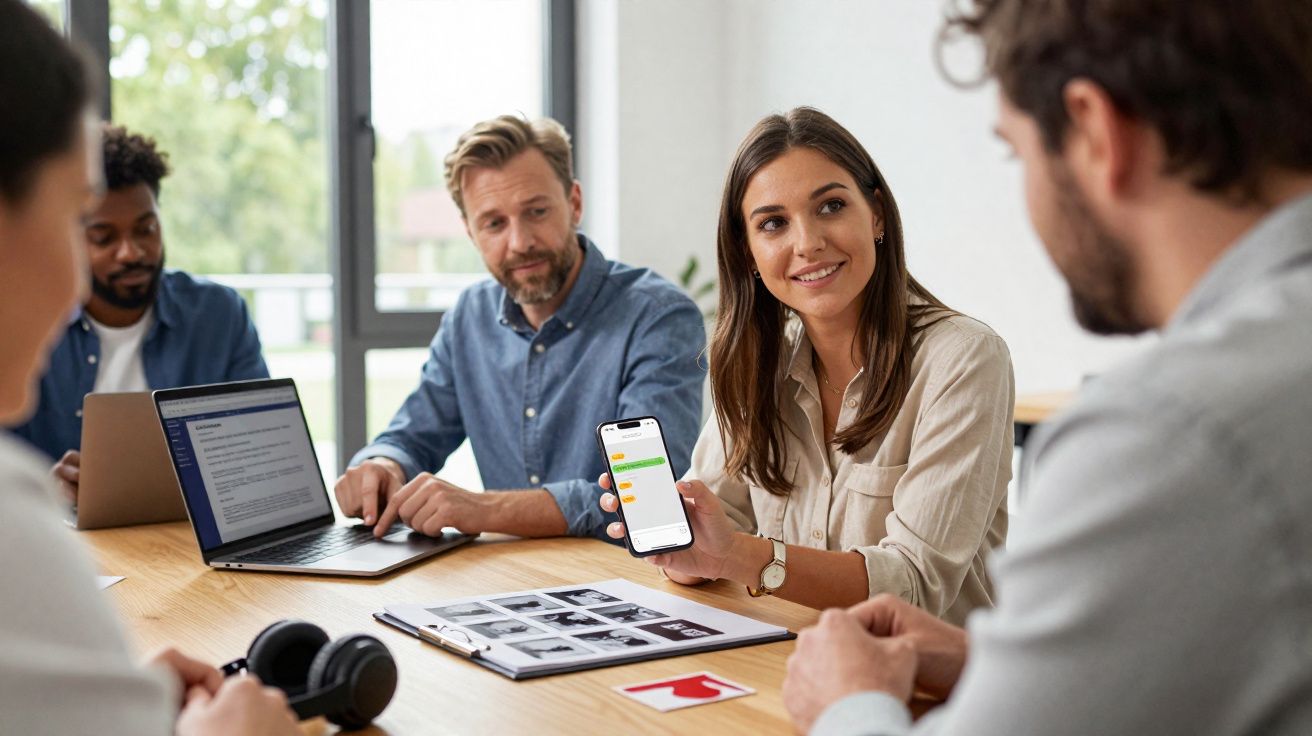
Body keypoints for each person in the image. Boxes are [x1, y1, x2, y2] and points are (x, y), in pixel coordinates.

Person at [783, 1, 1312, 733]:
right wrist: (997, 664)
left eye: (1018, 153)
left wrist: (849, 701)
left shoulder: (1166, 436)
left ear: (1095, 131)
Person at [0, 2, 297, 733]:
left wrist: (119, 698)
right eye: (80, 220)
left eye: (145, 229)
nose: (122, 255)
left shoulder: (216, 312)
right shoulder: (12, 525)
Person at [602, 108, 1014, 618]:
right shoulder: (760, 362)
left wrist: (738, 555)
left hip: (925, 665)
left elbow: (913, 584)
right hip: (792, 654)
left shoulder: (964, 359)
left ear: (877, 215)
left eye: (831, 206)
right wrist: (683, 548)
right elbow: (714, 526)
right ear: (749, 253)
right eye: (773, 223)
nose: (808, 243)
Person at [334, 115, 705, 542]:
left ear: (575, 203)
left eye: (537, 211)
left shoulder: (657, 317)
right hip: (509, 573)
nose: (520, 242)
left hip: (621, 575)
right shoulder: (469, 318)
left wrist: (484, 509)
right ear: (471, 233)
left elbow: (648, 499)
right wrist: (382, 465)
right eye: (494, 223)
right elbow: (414, 435)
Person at [7, 123, 269, 501]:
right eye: (104, 237)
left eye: (146, 229)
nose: (131, 253)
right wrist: (45, 491)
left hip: (188, 532)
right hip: (57, 530)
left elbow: (260, 448)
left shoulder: (219, 315)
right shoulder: (26, 322)